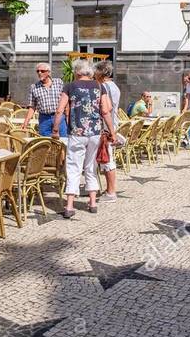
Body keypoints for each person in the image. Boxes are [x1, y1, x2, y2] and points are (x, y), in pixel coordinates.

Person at [53, 59, 116, 218]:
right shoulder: (99, 86)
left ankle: (69, 206)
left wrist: (55, 129)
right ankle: (93, 202)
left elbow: (60, 110)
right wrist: (112, 131)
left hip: (76, 133)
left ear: (77, 71)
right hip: (94, 133)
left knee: (73, 167)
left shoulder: (70, 86)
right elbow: (106, 111)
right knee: (91, 166)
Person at [94, 59, 120, 203]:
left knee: (107, 159)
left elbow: (106, 108)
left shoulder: (105, 87)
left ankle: (111, 192)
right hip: (110, 125)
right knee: (106, 158)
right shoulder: (114, 86)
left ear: (101, 72)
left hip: (106, 126)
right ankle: (108, 189)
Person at [22, 62, 66, 137]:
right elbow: (32, 107)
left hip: (59, 118)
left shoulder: (59, 82)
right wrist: (26, 122)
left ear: (48, 72)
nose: (39, 73)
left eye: (42, 71)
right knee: (45, 143)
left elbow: (65, 101)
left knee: (63, 141)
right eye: (37, 71)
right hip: (44, 119)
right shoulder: (34, 87)